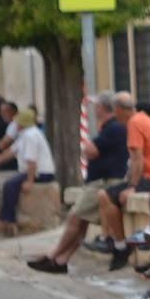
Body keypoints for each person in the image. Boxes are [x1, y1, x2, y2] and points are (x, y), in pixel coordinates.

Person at [28, 94, 129, 275]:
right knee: (81, 224)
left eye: (97, 106)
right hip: (99, 181)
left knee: (75, 218)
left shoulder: (113, 128)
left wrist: (86, 147)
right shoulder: (108, 127)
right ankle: (61, 260)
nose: (94, 109)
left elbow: (91, 150)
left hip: (103, 182)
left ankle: (54, 255)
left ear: (103, 108)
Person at [96, 93, 150, 272]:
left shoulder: (134, 123)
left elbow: (138, 159)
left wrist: (132, 187)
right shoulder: (142, 119)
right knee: (107, 195)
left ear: (119, 110)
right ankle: (112, 240)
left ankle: (120, 246)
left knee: (105, 195)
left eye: (114, 111)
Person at [0, 107, 56, 230]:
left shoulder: (30, 136)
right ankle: (5, 218)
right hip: (36, 171)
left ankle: (7, 219)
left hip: (42, 173)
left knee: (10, 185)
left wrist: (29, 181)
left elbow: (31, 160)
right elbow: (12, 151)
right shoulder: (25, 134)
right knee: (10, 183)